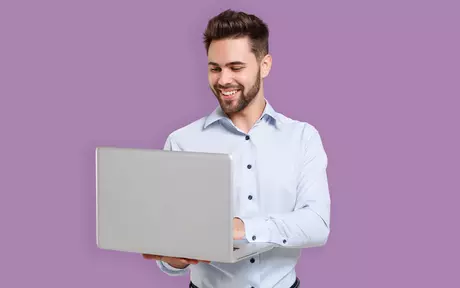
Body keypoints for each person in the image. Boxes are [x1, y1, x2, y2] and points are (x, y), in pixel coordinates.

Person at [142, 9, 331, 288]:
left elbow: (317, 225)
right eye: (215, 68)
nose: (223, 80)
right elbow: (169, 248)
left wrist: (242, 228)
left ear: (264, 65)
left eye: (236, 67)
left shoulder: (302, 137)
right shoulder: (182, 142)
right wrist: (174, 259)